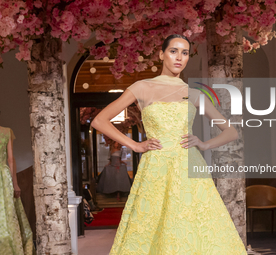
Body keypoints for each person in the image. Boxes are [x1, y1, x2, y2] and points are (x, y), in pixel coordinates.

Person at [91, 34, 246, 254]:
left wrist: (203, 144)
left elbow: (231, 131)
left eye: (184, 53)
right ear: (161, 54)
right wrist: (134, 145)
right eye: (173, 51)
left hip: (189, 165)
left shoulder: (194, 93)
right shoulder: (142, 87)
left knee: (194, 225)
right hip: (156, 167)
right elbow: (99, 121)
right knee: (154, 226)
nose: (179, 58)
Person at [0, 107, 35, 254]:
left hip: (3, 174)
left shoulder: (7, 132)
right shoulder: (6, 131)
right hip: (3, 174)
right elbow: (10, 160)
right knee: (7, 211)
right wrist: (15, 183)